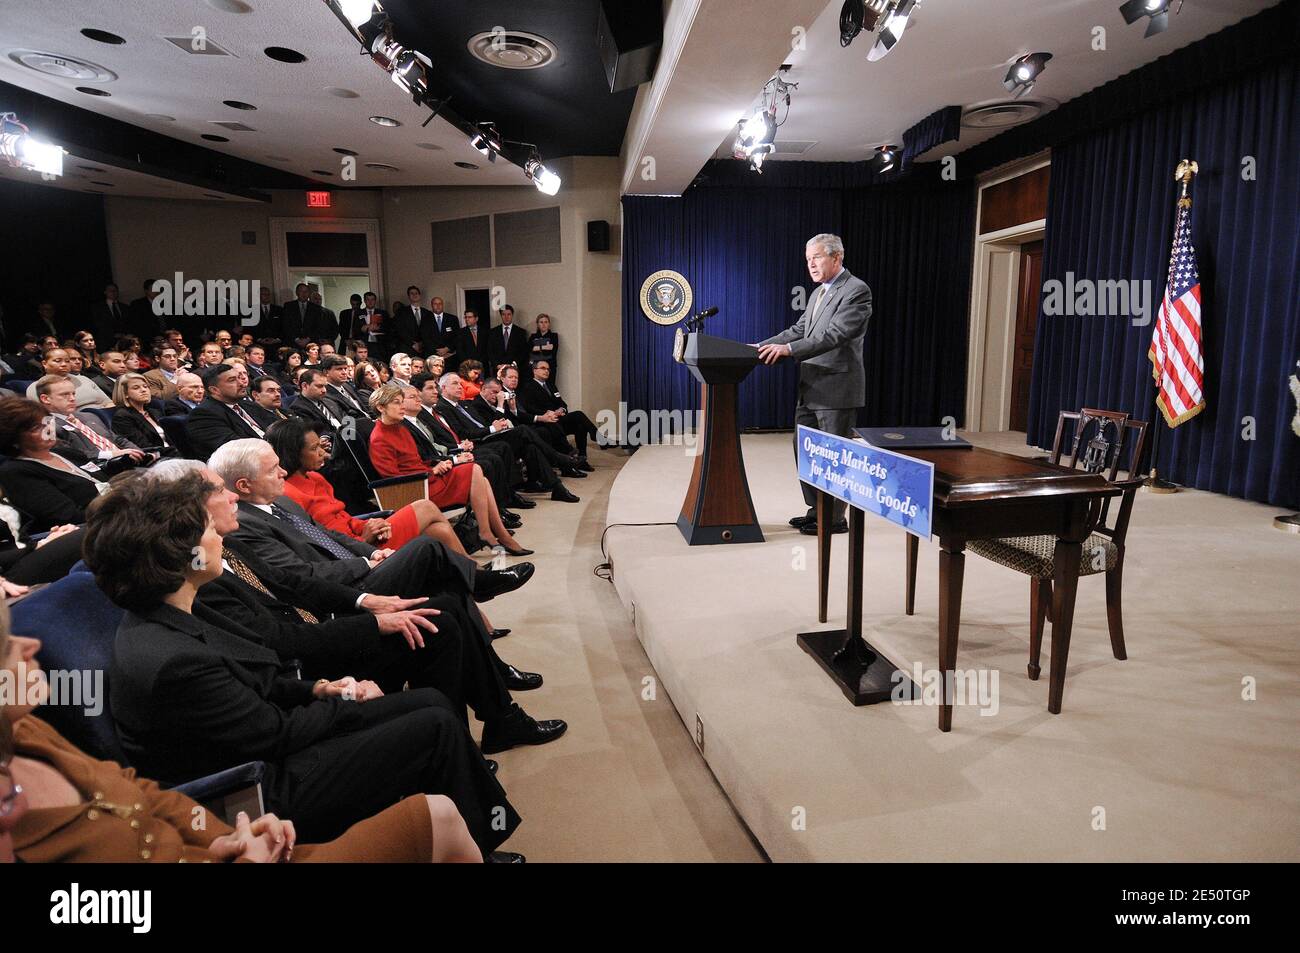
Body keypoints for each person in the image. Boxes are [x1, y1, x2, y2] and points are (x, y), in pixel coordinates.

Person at [79, 473, 522, 852]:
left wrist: (320, 690)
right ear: (181, 555)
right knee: (431, 724)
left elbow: (257, 681)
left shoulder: (176, 608)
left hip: (265, 739)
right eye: (206, 532)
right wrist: (344, 700)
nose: (216, 537)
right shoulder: (173, 657)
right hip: (252, 791)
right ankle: (477, 841)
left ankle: (472, 830)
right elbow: (272, 733)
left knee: (430, 703)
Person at [0, 603, 485, 863]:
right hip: (252, 780)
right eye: (4, 647)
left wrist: (224, 838)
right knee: (436, 786)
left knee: (431, 718)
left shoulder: (25, 735)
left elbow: (143, 792)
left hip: (234, 837)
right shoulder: (167, 655)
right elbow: (270, 730)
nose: (30, 645)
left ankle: (488, 822)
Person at [755, 232, 872, 536]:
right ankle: (817, 509)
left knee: (833, 456)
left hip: (837, 389)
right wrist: (758, 347)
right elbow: (800, 329)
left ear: (837, 257)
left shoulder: (856, 290)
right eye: (808, 259)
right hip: (811, 387)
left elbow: (833, 335)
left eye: (817, 257)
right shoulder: (818, 293)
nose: (811, 264)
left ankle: (834, 518)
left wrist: (789, 351)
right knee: (806, 451)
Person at [370, 383, 531, 556]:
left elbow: (415, 462)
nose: (402, 407)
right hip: (417, 490)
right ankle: (491, 533)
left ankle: (494, 534)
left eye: (402, 401)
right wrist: (432, 471)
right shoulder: (379, 438)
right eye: (396, 402)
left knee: (481, 478)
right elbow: (394, 479)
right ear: (381, 407)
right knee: (475, 469)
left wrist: (436, 466)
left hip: (427, 479)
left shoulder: (399, 428)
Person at [0, 396, 109, 531]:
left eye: (47, 422)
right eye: (36, 428)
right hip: (92, 529)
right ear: (13, 437)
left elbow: (106, 480)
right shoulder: (15, 472)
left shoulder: (65, 452)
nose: (49, 430)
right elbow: (68, 517)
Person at [34, 376, 153, 471]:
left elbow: (118, 439)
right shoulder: (45, 424)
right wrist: (113, 454)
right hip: (102, 469)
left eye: (73, 394)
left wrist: (138, 453)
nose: (72, 398)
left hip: (129, 462)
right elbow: (70, 456)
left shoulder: (88, 415)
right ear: (46, 399)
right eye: (65, 394)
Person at [518, 359, 597, 467]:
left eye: (548, 369)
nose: (546, 371)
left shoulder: (551, 385)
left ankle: (582, 460)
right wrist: (548, 413)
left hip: (558, 419)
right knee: (578, 416)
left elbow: (562, 403)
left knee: (580, 424)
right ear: (534, 371)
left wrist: (561, 410)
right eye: (543, 368)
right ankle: (596, 436)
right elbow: (529, 408)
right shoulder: (528, 387)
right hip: (545, 421)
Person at [185, 364, 266, 459]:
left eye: (239, 378)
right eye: (232, 380)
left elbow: (277, 428)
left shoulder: (249, 405)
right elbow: (238, 450)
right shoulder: (203, 415)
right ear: (215, 390)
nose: (241, 383)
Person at [23, 347, 113, 409]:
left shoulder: (84, 379)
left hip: (104, 417)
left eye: (67, 361)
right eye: (57, 361)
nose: (64, 364)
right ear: (44, 364)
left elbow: (108, 402)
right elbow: (45, 416)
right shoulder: (36, 387)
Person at [111, 372, 175, 454]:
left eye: (145, 386)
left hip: (171, 453)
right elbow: (144, 447)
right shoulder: (122, 417)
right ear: (125, 394)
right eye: (136, 388)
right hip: (156, 458)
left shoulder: (154, 411)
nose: (143, 390)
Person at [488, 305, 531, 376]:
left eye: (509, 314)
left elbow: (524, 351)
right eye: (503, 314)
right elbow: (490, 351)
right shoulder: (493, 332)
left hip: (515, 369)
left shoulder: (521, 332)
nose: (506, 317)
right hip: (498, 369)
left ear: (512, 315)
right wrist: (497, 365)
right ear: (501, 316)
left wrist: (514, 364)